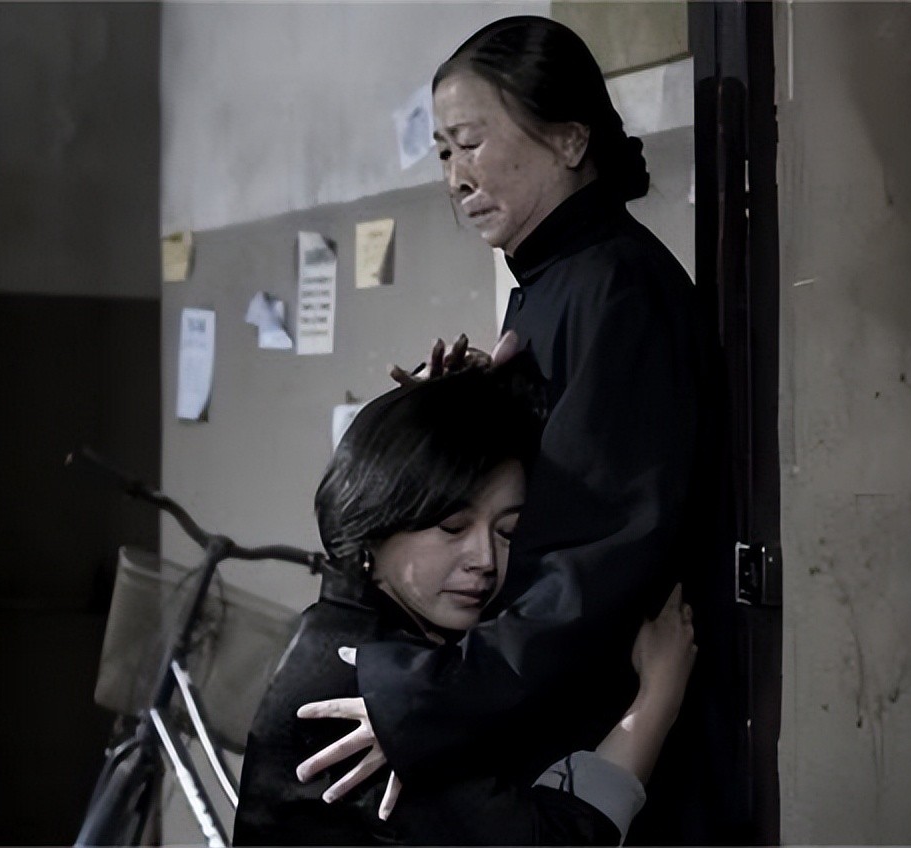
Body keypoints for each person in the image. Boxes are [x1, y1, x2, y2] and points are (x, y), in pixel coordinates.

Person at [297, 16, 745, 845]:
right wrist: (468, 414)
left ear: (570, 139)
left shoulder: (614, 288)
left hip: (617, 711)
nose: (454, 176)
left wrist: (432, 700)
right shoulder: (557, 281)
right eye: (442, 152)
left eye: (470, 142)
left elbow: (592, 555)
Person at [233, 364, 698, 846]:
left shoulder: (356, 638)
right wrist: (656, 702)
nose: (485, 560)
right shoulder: (364, 687)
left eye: (507, 532)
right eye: (453, 528)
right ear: (376, 522)